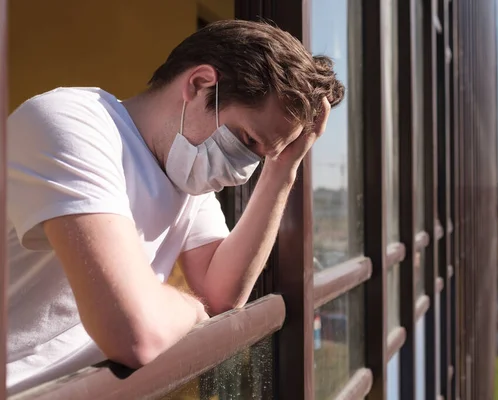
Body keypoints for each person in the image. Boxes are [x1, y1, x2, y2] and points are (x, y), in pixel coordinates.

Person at [6, 20, 344, 394]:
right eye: (248, 140)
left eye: (262, 156)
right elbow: (137, 334)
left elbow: (222, 294)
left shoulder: (184, 176)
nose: (244, 171)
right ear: (199, 84)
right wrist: (192, 311)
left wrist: (283, 169)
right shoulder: (73, 126)